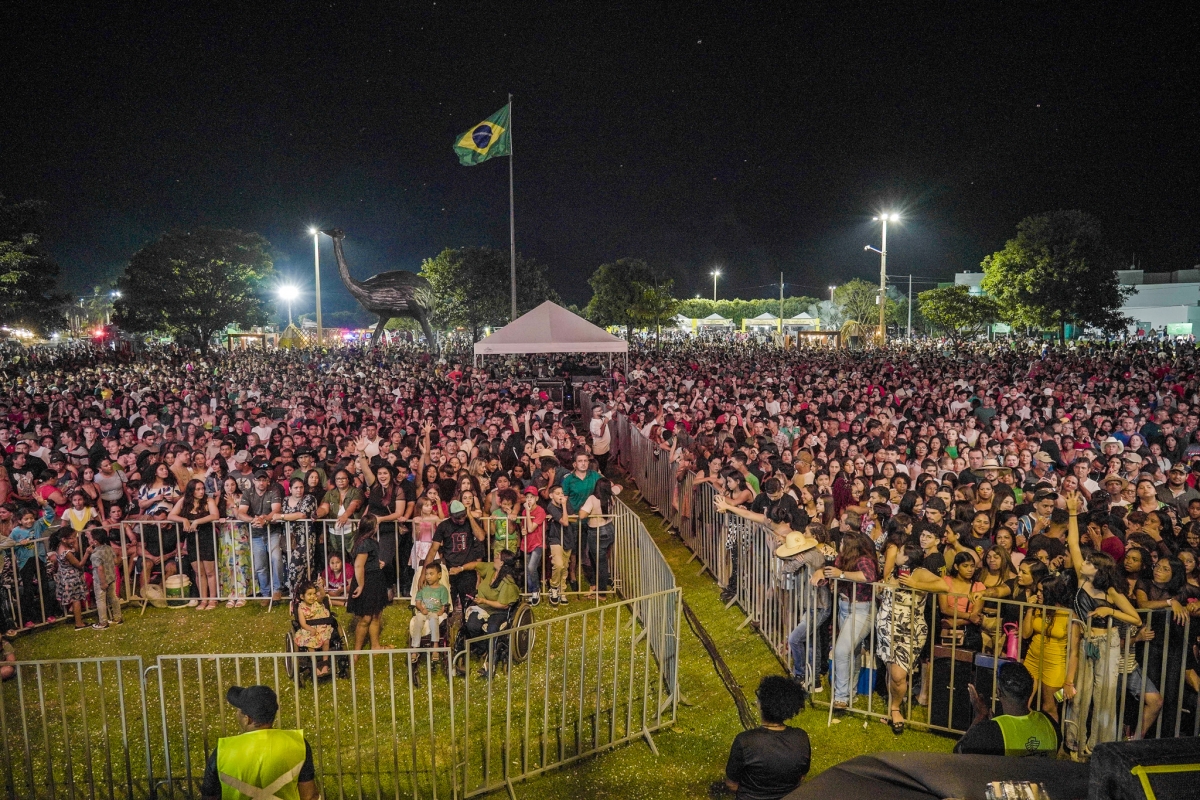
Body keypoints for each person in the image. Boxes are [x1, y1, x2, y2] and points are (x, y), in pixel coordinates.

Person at [199, 684, 318, 800]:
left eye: (239, 711)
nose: (237, 714)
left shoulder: (223, 751)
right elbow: (309, 796)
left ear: (247, 719)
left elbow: (209, 796)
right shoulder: (298, 744)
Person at [722, 675, 810, 800]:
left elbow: (732, 784)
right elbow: (801, 776)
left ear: (762, 705)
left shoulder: (745, 741)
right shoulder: (801, 738)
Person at [954, 662, 1058, 756]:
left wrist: (980, 716)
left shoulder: (990, 732)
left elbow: (958, 753)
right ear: (1031, 691)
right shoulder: (1050, 723)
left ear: (998, 692)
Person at [237, 470, 283, 603]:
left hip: (273, 531)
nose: (261, 483)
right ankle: (265, 593)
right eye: (259, 480)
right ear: (254, 481)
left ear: (267, 481)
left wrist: (265, 519)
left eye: (264, 480)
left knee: (276, 559)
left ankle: (277, 590)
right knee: (260, 565)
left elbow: (276, 510)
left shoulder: (273, 491)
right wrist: (253, 520)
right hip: (256, 533)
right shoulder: (248, 493)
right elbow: (240, 512)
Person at [346, 514, 389, 659]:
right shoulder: (365, 544)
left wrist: (377, 563)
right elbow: (358, 566)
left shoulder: (369, 542)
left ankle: (375, 646)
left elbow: (368, 561)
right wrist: (361, 585)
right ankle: (356, 652)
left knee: (376, 615)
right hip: (367, 581)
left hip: (375, 579)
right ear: (372, 527)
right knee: (366, 618)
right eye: (376, 524)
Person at [409, 563, 450, 658]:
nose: (428, 577)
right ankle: (415, 648)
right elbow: (417, 603)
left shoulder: (442, 589)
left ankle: (435, 646)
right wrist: (421, 609)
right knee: (418, 621)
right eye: (426, 574)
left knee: (434, 619)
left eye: (431, 574)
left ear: (439, 575)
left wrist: (441, 611)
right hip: (423, 611)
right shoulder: (423, 588)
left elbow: (444, 604)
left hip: (434, 612)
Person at [87, 526, 123, 629]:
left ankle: (103, 622)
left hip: (100, 581)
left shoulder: (95, 555)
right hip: (112, 577)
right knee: (113, 597)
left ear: (95, 541)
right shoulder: (108, 548)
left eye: (90, 538)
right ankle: (117, 617)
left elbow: (100, 569)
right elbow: (115, 561)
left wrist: (103, 583)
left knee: (100, 600)